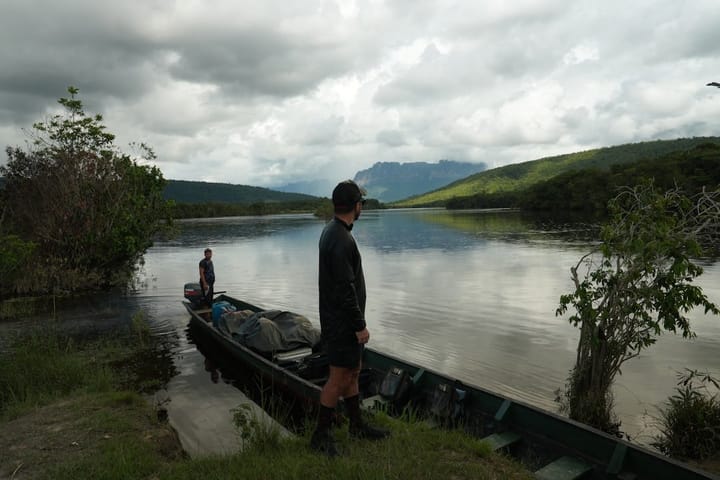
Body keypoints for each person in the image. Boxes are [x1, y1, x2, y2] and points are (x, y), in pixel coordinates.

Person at [310, 180, 389, 456]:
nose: (362, 208)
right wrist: (360, 326)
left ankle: (356, 425)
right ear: (356, 206)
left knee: (353, 371)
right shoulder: (340, 238)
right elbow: (346, 290)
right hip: (342, 323)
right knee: (337, 378)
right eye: (361, 204)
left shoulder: (333, 231)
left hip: (340, 319)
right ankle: (320, 435)